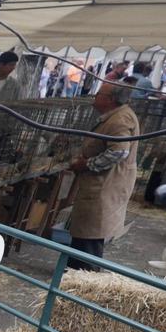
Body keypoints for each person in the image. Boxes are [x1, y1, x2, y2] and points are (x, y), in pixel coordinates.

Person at [64, 79, 141, 266]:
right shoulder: (114, 116)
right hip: (100, 184)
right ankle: (75, 273)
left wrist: (88, 164)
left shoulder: (120, 120)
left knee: (92, 233)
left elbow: (119, 151)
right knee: (86, 231)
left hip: (105, 184)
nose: (95, 97)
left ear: (110, 99)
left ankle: (84, 276)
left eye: (99, 94)